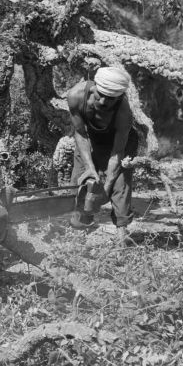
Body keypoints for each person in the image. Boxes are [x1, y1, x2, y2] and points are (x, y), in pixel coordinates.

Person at [66, 67, 138, 243]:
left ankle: (122, 236)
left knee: (120, 186)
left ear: (120, 96)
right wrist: (90, 168)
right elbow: (81, 134)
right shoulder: (75, 96)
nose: (104, 101)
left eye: (111, 98)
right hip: (89, 139)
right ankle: (79, 232)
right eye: (101, 94)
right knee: (80, 182)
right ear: (94, 86)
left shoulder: (123, 113)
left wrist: (105, 189)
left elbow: (117, 153)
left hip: (119, 146)